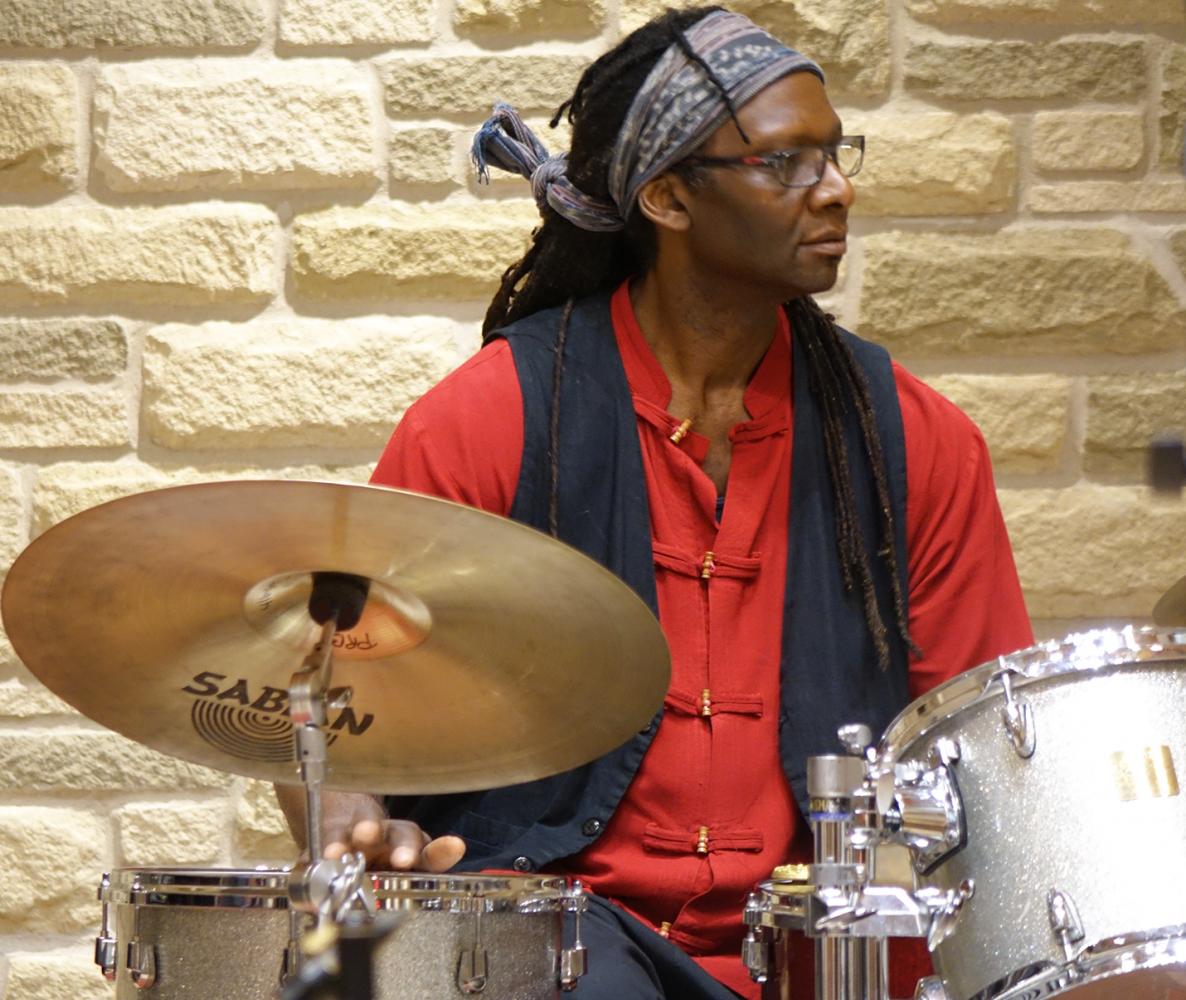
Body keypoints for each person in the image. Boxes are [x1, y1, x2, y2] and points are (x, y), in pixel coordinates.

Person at [278, 6, 1033, 997]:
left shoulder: (911, 441)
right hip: (551, 953)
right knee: (346, 969)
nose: (837, 188)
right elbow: (335, 711)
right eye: (786, 162)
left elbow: (984, 751)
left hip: (829, 957)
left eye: (835, 152)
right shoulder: (493, 419)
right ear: (668, 197)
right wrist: (350, 820)